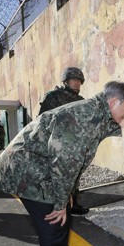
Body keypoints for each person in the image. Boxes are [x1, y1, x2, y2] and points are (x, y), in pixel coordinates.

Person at [0, 81, 124, 246]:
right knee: (54, 226)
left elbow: (74, 162)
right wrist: (60, 202)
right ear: (113, 102)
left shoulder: (95, 113)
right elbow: (64, 164)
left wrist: (67, 196)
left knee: (63, 220)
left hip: (40, 167)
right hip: (26, 172)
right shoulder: (82, 117)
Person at [38, 67, 87, 215]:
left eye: (79, 80)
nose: (77, 83)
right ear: (66, 81)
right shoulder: (53, 97)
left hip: (74, 144)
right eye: (74, 80)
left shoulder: (81, 101)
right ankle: (58, 205)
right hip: (57, 143)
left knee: (74, 174)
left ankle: (73, 204)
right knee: (57, 175)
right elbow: (42, 120)